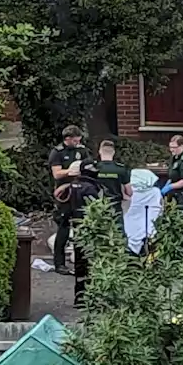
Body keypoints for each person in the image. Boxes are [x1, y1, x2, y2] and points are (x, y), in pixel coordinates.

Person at [53, 161, 103, 306]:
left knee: (80, 265)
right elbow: (97, 210)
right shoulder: (91, 188)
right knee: (92, 265)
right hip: (90, 229)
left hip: (77, 228)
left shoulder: (74, 186)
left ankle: (79, 297)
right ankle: (91, 298)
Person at [47, 125, 91, 275]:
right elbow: (57, 174)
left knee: (81, 226)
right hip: (64, 192)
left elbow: (88, 165)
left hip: (80, 191)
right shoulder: (57, 152)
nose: (78, 141)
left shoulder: (82, 150)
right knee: (63, 227)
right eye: (75, 139)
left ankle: (81, 263)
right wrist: (70, 171)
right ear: (67, 139)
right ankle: (59, 264)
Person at [92, 140, 133, 228]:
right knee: (118, 231)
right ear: (113, 152)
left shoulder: (93, 168)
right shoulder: (121, 169)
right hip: (115, 206)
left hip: (97, 205)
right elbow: (129, 191)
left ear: (100, 151)